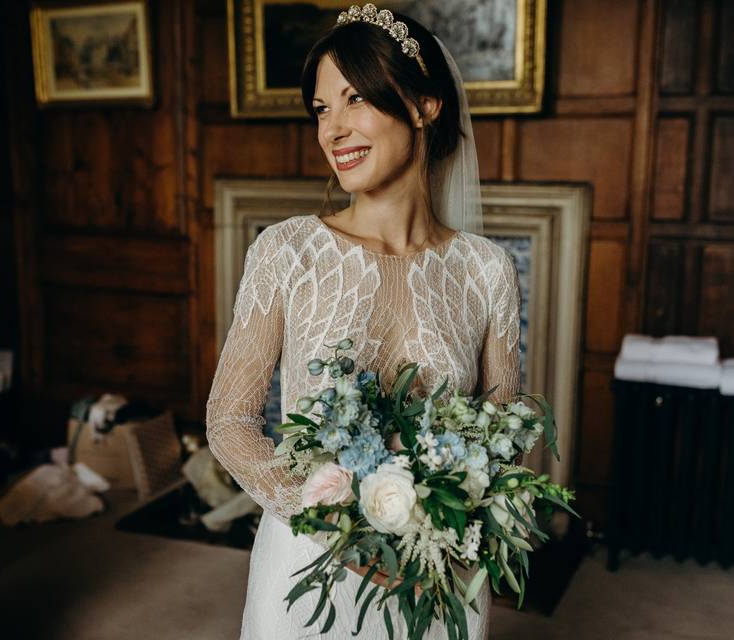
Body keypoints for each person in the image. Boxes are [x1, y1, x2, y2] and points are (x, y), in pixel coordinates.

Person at [206, 4, 522, 638]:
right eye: (322, 109)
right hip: (310, 564)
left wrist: (453, 525)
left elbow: (502, 435)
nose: (334, 130)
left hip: (434, 570)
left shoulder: (487, 269)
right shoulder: (287, 252)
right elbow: (229, 420)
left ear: (424, 105)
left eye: (355, 100)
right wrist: (323, 517)